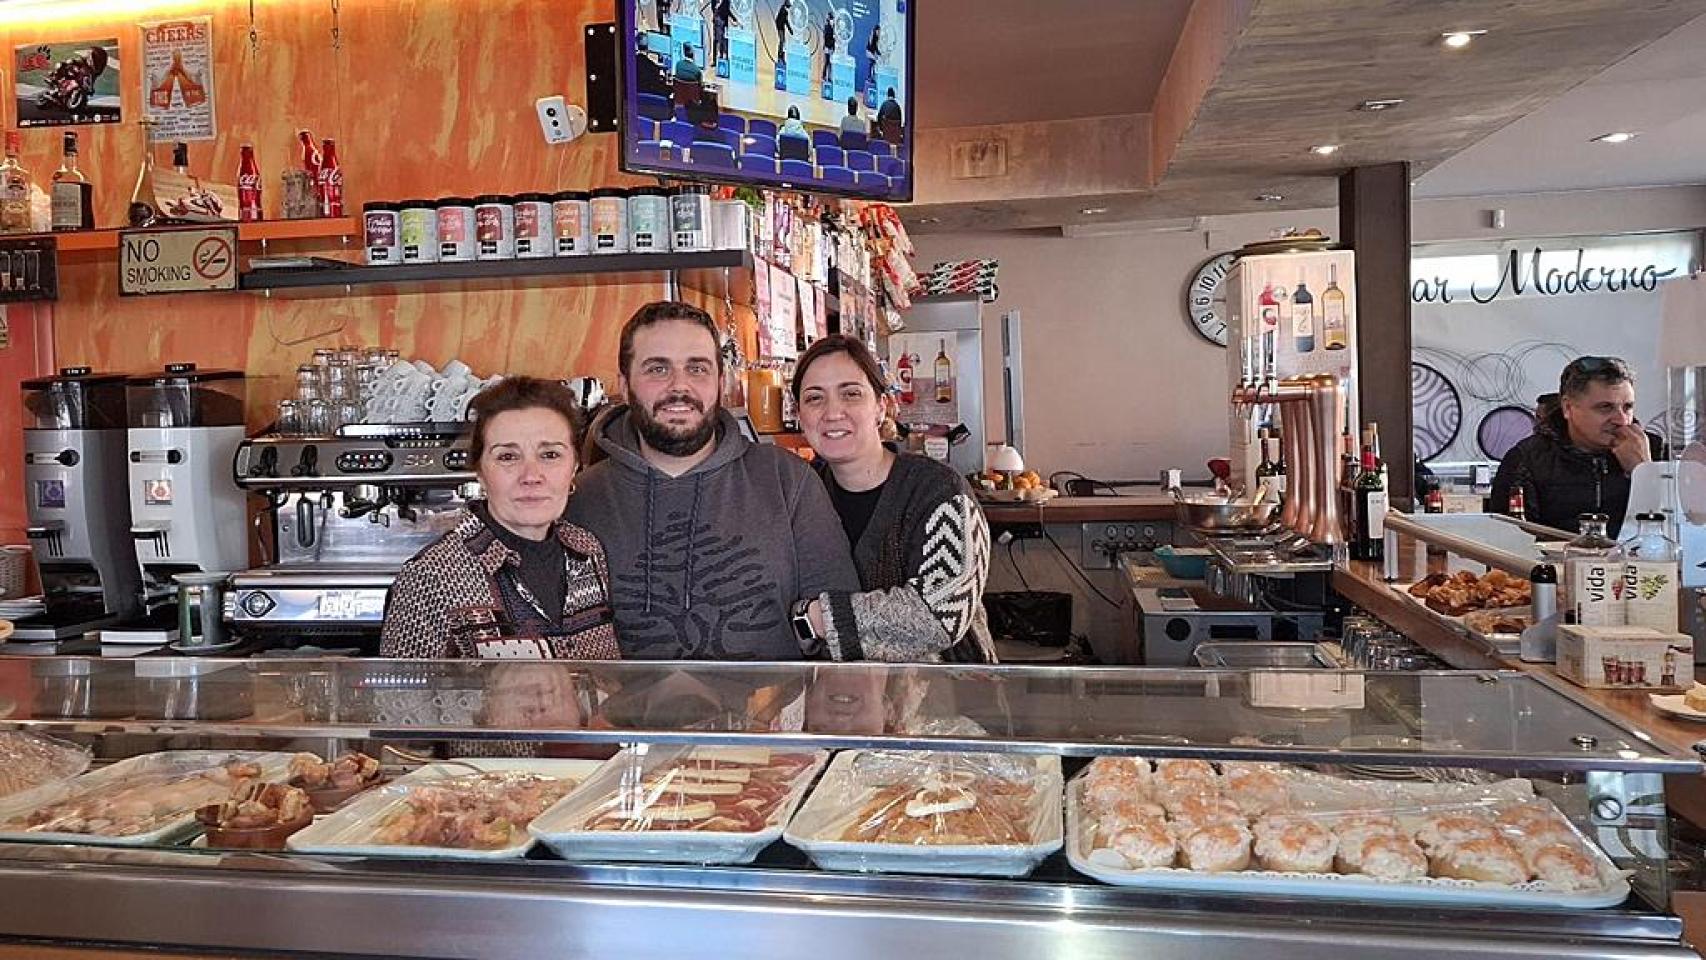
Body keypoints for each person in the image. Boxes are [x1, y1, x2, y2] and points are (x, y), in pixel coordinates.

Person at [568, 301, 860, 660]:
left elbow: (841, 632)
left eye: (697, 368)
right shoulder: (579, 499)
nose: (680, 386)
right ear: (624, 384)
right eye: (658, 369)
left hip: (768, 714)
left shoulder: (787, 481)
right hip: (621, 717)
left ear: (721, 382)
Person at [791, 335, 996, 663]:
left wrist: (813, 618)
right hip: (837, 702)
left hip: (952, 699)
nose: (832, 412)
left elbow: (939, 615)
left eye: (851, 394)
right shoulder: (800, 492)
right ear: (799, 416)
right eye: (815, 398)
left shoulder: (939, 490)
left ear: (881, 407)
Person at [382, 377, 618, 659]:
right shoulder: (430, 576)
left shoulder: (587, 550)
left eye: (550, 454)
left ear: (574, 467)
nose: (531, 476)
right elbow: (401, 700)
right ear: (480, 472)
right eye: (507, 457)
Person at [1489, 356, 1668, 536]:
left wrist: (1644, 472)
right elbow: (1506, 540)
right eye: (1605, 407)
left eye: (1627, 407)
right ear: (1568, 408)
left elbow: (1680, 532)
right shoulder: (1527, 460)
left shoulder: (1657, 452)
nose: (1621, 420)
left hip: (1640, 562)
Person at [712, 0, 738, 71]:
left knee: (723, 41)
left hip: (723, 23)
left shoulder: (727, 1)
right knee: (715, 40)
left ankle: (723, 58)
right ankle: (714, 60)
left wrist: (733, 18)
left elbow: (727, 11)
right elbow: (713, 8)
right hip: (716, 23)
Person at [820, 11, 836, 90]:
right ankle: (823, 76)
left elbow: (834, 37)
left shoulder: (834, 26)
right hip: (827, 46)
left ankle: (829, 77)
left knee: (830, 63)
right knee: (827, 62)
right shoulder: (827, 26)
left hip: (831, 47)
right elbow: (826, 37)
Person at [864, 23, 882, 90]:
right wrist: (875, 55)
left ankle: (872, 77)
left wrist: (879, 53)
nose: (879, 32)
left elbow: (876, 48)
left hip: (872, 52)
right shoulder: (872, 35)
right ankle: (870, 77)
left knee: (873, 63)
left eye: (879, 31)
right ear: (876, 30)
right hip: (868, 51)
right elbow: (871, 45)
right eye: (878, 31)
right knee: (873, 62)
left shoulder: (877, 37)